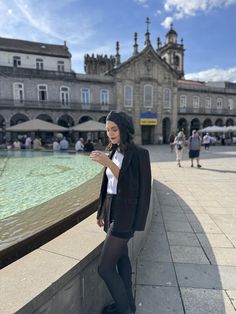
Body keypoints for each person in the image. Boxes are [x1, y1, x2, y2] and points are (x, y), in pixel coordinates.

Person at [90, 111, 151, 314]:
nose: (110, 133)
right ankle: (129, 305)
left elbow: (131, 187)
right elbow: (109, 185)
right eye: (107, 130)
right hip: (111, 209)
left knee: (104, 268)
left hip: (125, 214)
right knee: (122, 259)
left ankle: (124, 309)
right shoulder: (114, 150)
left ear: (124, 129)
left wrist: (108, 163)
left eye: (114, 129)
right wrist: (101, 211)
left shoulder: (138, 153)